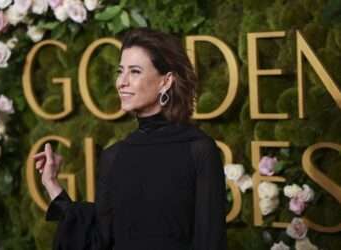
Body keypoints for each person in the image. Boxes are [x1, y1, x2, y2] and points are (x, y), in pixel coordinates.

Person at [34, 27, 227, 250]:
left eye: (135, 71)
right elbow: (98, 241)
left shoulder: (199, 150)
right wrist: (51, 184)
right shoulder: (114, 156)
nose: (121, 82)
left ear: (166, 81)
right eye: (120, 71)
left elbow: (210, 241)